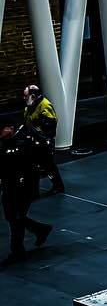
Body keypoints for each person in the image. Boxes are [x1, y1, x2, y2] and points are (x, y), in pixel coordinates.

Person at [0, 121, 49, 265]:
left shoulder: (22, 145)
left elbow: (25, 168)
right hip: (10, 186)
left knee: (16, 219)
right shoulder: (8, 142)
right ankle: (41, 229)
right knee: (12, 216)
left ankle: (17, 252)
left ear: (11, 128)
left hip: (22, 188)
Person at [20, 86, 63, 194]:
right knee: (32, 166)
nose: (23, 98)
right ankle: (33, 190)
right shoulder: (30, 105)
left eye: (26, 96)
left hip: (43, 142)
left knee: (48, 165)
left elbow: (51, 125)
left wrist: (39, 134)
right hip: (32, 140)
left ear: (33, 96)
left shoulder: (45, 105)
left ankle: (58, 186)